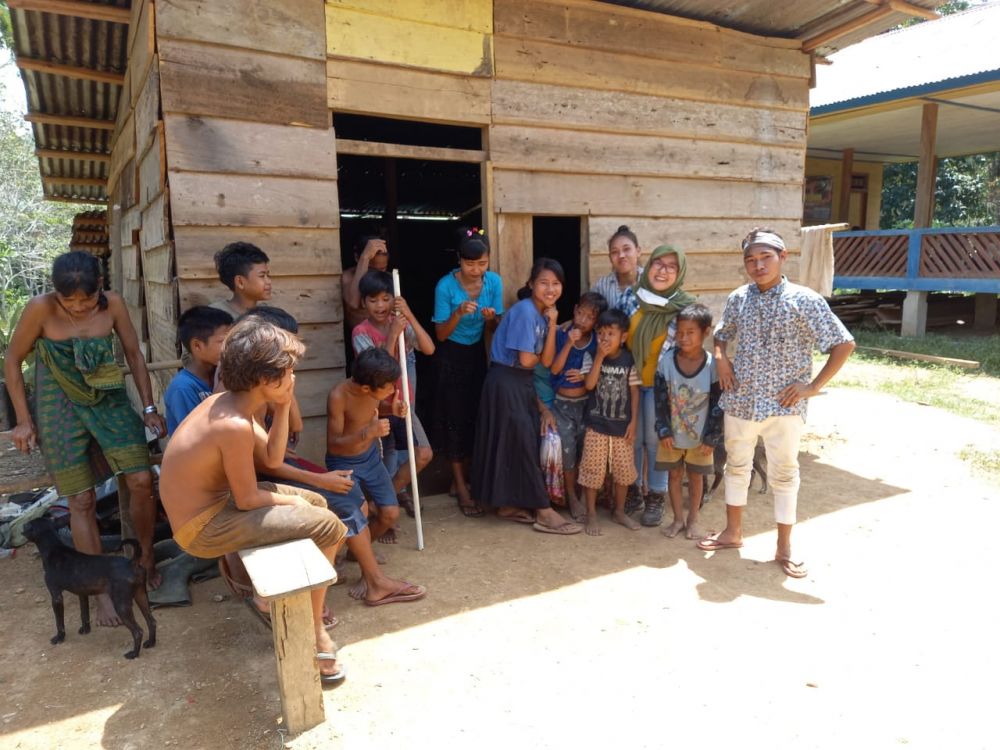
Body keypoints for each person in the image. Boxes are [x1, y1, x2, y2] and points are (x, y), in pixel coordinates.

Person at [159, 320, 349, 682]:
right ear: (267, 379)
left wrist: (281, 406)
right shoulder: (230, 423)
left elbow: (273, 460)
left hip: (218, 505)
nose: (293, 376)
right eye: (289, 371)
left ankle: (281, 599)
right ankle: (313, 629)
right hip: (204, 526)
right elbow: (247, 499)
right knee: (328, 526)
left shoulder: (230, 403)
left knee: (317, 504)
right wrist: (294, 506)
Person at [4, 251, 166, 627]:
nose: (77, 306)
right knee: (81, 498)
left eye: (86, 299)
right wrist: (23, 421)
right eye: (68, 300)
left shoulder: (116, 306)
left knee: (141, 481)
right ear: (54, 293)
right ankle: (102, 591)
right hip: (57, 404)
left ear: (101, 289)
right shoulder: (39, 309)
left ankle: (145, 557)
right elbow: (12, 360)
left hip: (107, 400)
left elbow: (133, 355)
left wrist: (147, 407)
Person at [698, 227, 855, 579]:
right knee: (736, 467)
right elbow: (721, 334)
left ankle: (784, 547)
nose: (757, 265)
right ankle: (733, 533)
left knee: (785, 474)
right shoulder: (739, 297)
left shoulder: (806, 300)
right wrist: (721, 358)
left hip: (785, 407)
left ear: (783, 258)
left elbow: (843, 343)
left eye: (765, 257)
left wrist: (812, 387)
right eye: (750, 260)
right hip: (740, 401)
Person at [470, 258, 582, 535]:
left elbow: (544, 360)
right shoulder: (524, 312)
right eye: (543, 282)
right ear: (531, 284)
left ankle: (507, 505)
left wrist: (554, 323)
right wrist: (550, 327)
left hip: (518, 382)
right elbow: (529, 360)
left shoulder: (543, 316)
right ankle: (543, 511)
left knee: (517, 442)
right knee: (519, 443)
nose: (550, 289)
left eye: (556, 283)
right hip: (506, 381)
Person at [352, 270, 435, 527]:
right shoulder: (360, 332)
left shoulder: (402, 323)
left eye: (386, 299)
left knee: (422, 454)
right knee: (384, 461)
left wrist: (408, 316)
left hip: (404, 406)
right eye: (373, 300)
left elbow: (429, 348)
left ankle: (384, 502)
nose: (380, 306)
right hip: (378, 409)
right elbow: (377, 372)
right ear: (364, 302)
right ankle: (383, 512)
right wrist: (392, 336)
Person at [430, 228, 502, 516]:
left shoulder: (493, 282)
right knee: (455, 420)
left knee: (474, 417)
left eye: (482, 264)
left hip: (476, 355)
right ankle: (461, 487)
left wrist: (490, 319)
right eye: (470, 264)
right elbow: (441, 335)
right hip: (450, 357)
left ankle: (464, 479)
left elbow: (497, 325)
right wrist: (458, 313)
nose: (476, 270)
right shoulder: (445, 287)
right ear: (459, 260)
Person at [626, 245, 697, 527]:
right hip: (630, 383)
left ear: (679, 274)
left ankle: (656, 495)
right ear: (649, 266)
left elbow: (688, 351)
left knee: (656, 443)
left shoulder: (685, 309)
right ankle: (633, 489)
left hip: (662, 388)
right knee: (633, 441)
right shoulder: (632, 300)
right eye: (658, 263)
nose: (663, 270)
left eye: (671, 267)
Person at [325, 347, 415, 553]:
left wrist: (390, 409)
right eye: (389, 387)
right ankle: (344, 557)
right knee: (357, 514)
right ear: (366, 388)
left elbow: (371, 408)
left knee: (391, 514)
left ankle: (356, 555)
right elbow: (334, 444)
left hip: (370, 458)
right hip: (343, 463)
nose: (393, 390)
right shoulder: (339, 396)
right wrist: (369, 433)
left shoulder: (374, 385)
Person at [653, 303, 722, 541]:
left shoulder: (713, 366)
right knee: (673, 475)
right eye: (680, 332)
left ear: (706, 332)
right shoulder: (666, 362)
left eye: (690, 332)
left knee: (696, 477)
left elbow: (717, 403)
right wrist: (663, 430)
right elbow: (660, 399)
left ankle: (693, 520)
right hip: (671, 434)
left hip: (700, 437)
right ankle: (677, 520)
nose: (683, 337)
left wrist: (713, 436)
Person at [578, 309, 641, 536]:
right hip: (596, 425)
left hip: (622, 428)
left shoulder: (629, 360)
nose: (605, 338)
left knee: (623, 472)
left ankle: (620, 511)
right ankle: (591, 513)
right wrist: (599, 357)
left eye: (611, 333)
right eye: (601, 333)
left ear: (623, 337)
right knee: (592, 470)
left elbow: (634, 392)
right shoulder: (591, 356)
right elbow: (589, 385)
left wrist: (634, 422)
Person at [548, 291, 608, 521]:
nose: (582, 320)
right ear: (573, 310)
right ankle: (571, 496)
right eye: (580, 313)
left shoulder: (596, 342)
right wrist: (568, 344)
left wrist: (584, 378)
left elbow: (596, 374)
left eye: (589, 317)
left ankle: (585, 495)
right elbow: (554, 369)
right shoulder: (563, 335)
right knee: (567, 452)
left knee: (586, 451)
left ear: (596, 322)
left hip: (586, 405)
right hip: (562, 406)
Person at [164, 306, 233, 434]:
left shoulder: (218, 372)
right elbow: (197, 434)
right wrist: (223, 385)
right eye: (222, 341)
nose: (231, 346)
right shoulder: (182, 388)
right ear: (197, 346)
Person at [210, 242, 272, 319]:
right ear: (240, 282)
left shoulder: (268, 315)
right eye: (262, 276)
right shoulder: (214, 316)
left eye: (268, 275)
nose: (269, 281)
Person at [341, 235, 389, 334]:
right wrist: (365, 257)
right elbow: (354, 302)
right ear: (357, 258)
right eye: (371, 268)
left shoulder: (387, 279)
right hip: (360, 341)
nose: (376, 274)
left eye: (382, 269)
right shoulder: (348, 277)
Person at [591, 225, 644, 314]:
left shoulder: (651, 281)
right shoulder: (602, 286)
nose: (621, 256)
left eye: (626, 249)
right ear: (610, 257)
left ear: (638, 251)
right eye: (615, 252)